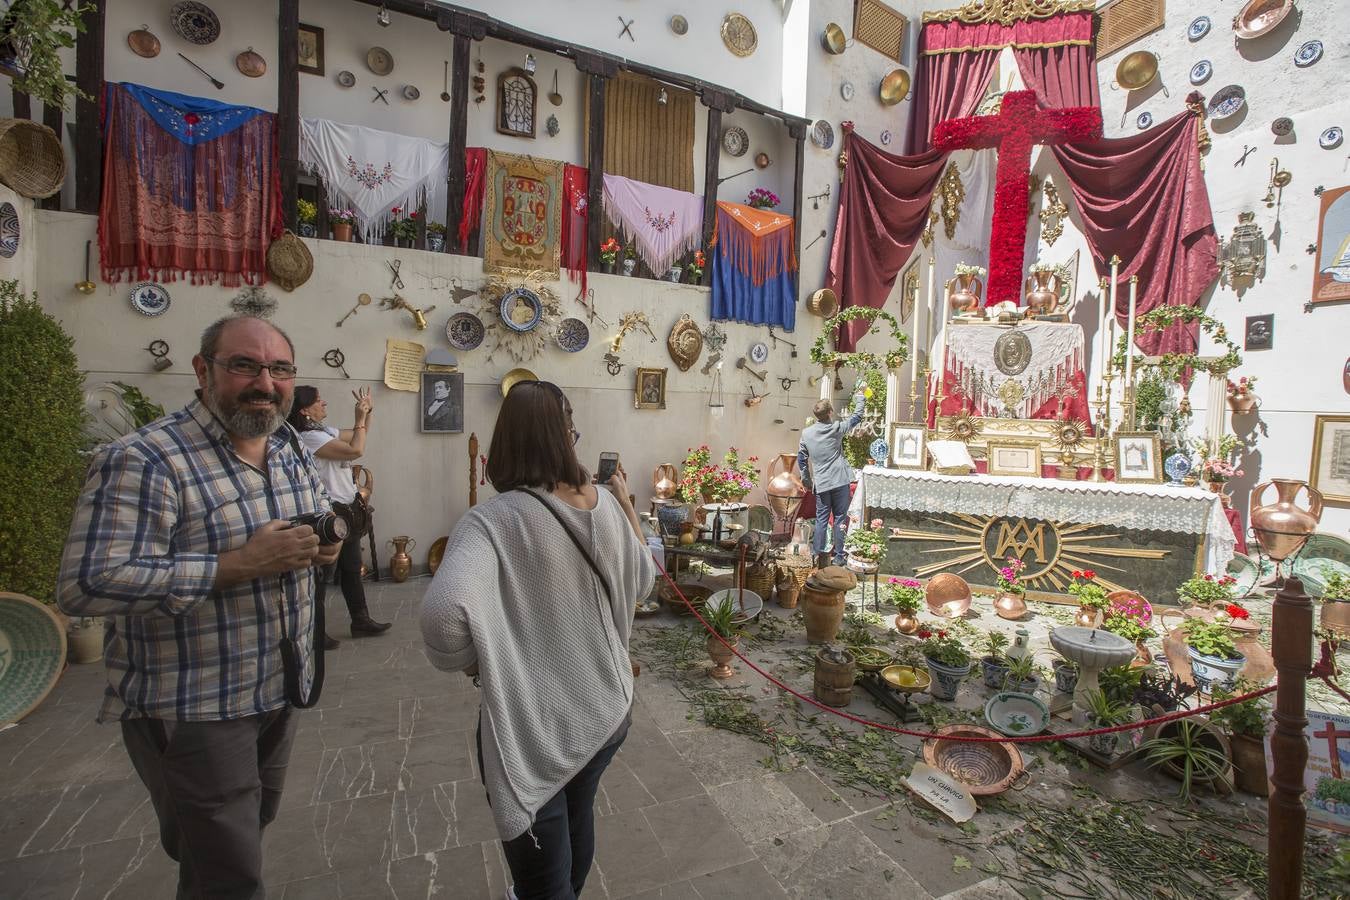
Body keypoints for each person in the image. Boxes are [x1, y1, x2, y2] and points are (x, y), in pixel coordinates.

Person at [57, 314, 341, 899]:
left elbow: (306, 537)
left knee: (232, 844)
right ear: (202, 371)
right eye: (245, 365)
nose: (265, 382)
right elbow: (89, 582)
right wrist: (237, 565)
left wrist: (322, 547)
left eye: (280, 368)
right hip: (196, 705)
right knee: (229, 871)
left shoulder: (288, 449)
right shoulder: (145, 459)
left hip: (278, 687)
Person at [420, 380, 654, 900]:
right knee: (576, 816)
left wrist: (485, 658)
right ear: (564, 437)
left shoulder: (491, 523)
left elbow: (442, 623)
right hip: (608, 709)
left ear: (505, 443)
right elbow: (643, 582)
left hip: (539, 728)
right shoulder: (606, 506)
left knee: (544, 861)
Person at [288, 384, 391, 644]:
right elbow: (356, 449)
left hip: (347, 508)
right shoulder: (308, 437)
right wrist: (359, 419)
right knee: (322, 575)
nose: (324, 403)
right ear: (304, 410)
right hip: (329, 512)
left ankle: (361, 620)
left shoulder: (321, 431)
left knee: (351, 568)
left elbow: (360, 433)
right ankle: (315, 632)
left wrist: (368, 410)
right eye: (318, 400)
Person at [798, 390, 865, 568]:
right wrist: (860, 397)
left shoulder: (807, 433)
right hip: (840, 481)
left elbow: (802, 459)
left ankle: (818, 555)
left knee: (821, 519)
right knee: (840, 519)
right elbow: (857, 417)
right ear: (830, 412)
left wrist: (806, 480)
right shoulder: (836, 428)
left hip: (821, 483)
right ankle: (839, 556)